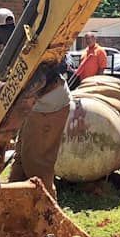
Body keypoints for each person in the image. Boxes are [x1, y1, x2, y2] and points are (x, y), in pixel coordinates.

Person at [8, 57, 72, 199]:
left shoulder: (42, 51)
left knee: (37, 165)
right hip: (38, 105)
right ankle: (12, 203)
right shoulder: (22, 50)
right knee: (20, 157)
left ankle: (48, 214)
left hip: (48, 106)